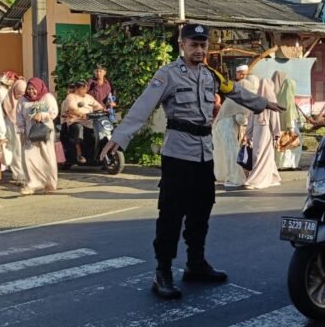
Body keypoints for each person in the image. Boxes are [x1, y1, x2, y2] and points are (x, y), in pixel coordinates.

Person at [99, 24, 281, 299]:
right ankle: (163, 271)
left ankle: (196, 263)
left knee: (201, 211)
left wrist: (264, 103)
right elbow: (143, 105)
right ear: (182, 45)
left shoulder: (211, 75)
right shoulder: (168, 75)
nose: (199, 50)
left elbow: (235, 91)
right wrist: (120, 137)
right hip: (178, 154)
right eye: (194, 45)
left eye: (203, 45)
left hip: (203, 153)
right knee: (171, 214)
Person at [17, 77, 59, 196]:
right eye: (29, 89)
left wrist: (42, 114)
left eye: (33, 89)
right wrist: (21, 131)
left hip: (45, 130)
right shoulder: (23, 100)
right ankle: (31, 184)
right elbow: (19, 116)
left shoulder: (47, 97)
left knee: (46, 157)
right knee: (29, 157)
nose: (31, 91)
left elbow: (53, 112)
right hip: (29, 132)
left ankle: (49, 183)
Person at [213, 65, 250, 189]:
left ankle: (223, 176)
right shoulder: (240, 99)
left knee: (221, 153)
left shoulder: (232, 97)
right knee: (231, 153)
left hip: (219, 125)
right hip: (227, 128)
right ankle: (234, 178)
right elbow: (240, 119)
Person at [245, 78, 282, 189]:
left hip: (261, 130)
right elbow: (275, 121)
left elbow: (251, 120)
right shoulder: (269, 100)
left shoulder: (258, 101)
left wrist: (248, 133)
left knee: (260, 154)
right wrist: (276, 135)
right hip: (264, 131)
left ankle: (257, 179)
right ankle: (269, 177)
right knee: (262, 154)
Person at [61, 80, 104, 164]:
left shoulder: (89, 97)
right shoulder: (71, 97)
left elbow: (99, 107)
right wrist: (80, 114)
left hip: (89, 122)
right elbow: (72, 108)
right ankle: (79, 154)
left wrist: (103, 110)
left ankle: (96, 155)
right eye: (83, 88)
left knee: (97, 133)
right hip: (75, 122)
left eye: (86, 88)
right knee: (78, 128)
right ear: (77, 89)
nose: (85, 90)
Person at [272, 71, 302, 170]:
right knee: (291, 146)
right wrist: (292, 128)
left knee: (282, 145)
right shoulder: (289, 100)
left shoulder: (280, 97)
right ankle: (289, 165)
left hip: (281, 127)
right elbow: (290, 115)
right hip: (289, 126)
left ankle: (280, 164)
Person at [2, 79, 27, 186]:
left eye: (23, 93)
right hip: (11, 130)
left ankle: (24, 173)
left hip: (23, 130)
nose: (20, 96)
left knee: (23, 152)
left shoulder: (27, 101)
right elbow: (2, 117)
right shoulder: (7, 101)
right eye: (18, 93)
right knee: (15, 151)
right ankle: (18, 174)